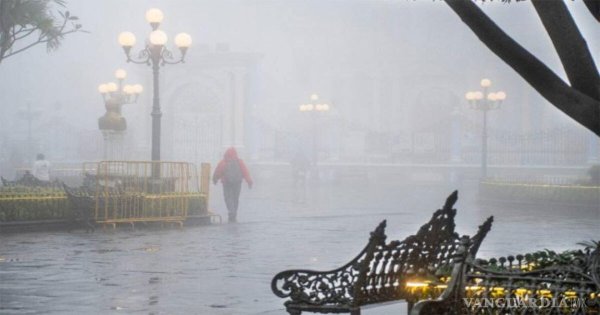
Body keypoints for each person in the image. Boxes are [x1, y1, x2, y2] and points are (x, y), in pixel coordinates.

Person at [212, 147, 253, 223]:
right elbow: (245, 172)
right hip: (237, 183)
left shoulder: (224, 162)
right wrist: (249, 182)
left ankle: (231, 212)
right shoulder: (240, 162)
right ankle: (234, 213)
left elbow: (218, 172)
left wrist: (215, 179)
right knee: (235, 198)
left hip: (226, 183)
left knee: (228, 198)